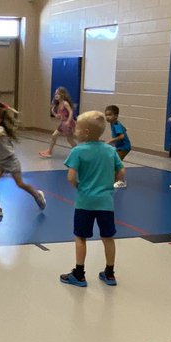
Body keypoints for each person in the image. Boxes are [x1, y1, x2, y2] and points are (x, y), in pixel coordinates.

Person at [59, 111, 122, 287]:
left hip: (85, 202)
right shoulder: (110, 150)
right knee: (108, 237)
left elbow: (71, 177)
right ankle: (109, 273)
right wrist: (110, 183)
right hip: (105, 203)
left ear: (85, 132)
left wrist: (80, 187)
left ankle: (79, 274)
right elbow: (121, 172)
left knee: (80, 237)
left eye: (77, 127)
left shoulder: (78, 151)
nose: (75, 130)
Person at [38, 88, 76, 158]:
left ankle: (78, 151)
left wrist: (68, 121)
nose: (56, 95)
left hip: (68, 123)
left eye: (58, 94)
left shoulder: (65, 103)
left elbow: (71, 112)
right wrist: (54, 112)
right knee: (54, 135)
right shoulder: (58, 105)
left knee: (70, 139)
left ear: (62, 94)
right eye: (55, 94)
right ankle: (49, 152)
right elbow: (58, 116)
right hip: (62, 123)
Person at [104, 104, 131, 189]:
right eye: (106, 115)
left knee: (116, 163)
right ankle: (115, 180)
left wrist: (110, 141)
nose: (107, 117)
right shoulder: (113, 123)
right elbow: (124, 129)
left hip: (124, 147)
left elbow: (121, 136)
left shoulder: (116, 125)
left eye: (110, 115)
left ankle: (121, 181)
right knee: (114, 161)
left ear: (116, 116)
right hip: (120, 147)